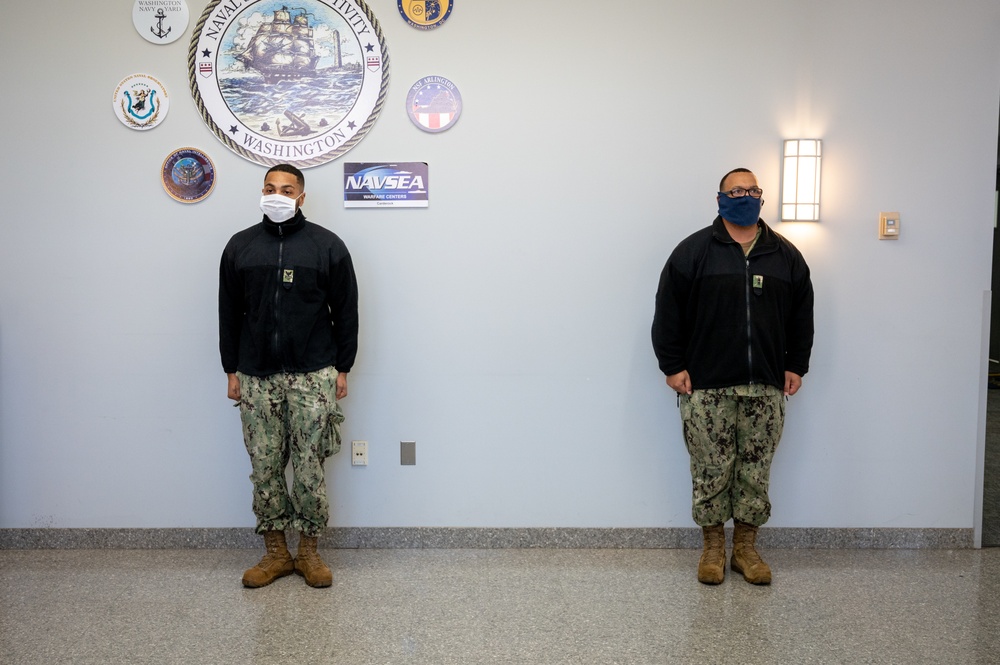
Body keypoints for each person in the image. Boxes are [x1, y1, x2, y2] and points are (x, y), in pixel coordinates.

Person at [651, 167, 814, 585]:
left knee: (755, 470)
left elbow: (801, 317)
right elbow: (667, 311)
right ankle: (712, 549)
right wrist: (672, 366)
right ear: (720, 197)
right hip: (706, 385)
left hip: (765, 384)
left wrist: (796, 363)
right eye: (736, 190)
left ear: (762, 197)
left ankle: (745, 549)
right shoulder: (693, 252)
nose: (745, 195)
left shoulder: (785, 256)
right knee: (710, 467)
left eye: (752, 190)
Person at [219, 163, 359, 588]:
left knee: (309, 467)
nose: (276, 195)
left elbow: (346, 311)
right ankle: (276, 553)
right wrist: (231, 369)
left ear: (301, 197)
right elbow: (229, 313)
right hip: (257, 375)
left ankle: (309, 553)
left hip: (313, 374)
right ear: (261, 192)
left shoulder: (326, 246)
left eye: (286, 189)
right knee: (265, 467)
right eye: (269, 188)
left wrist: (343, 367)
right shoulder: (240, 247)